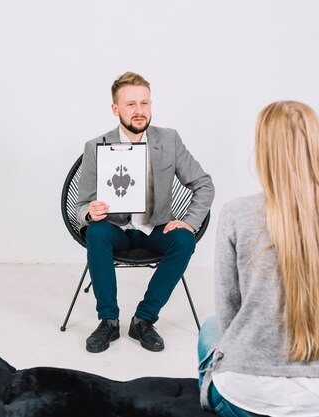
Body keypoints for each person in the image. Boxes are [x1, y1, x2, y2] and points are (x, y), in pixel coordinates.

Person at [198, 101, 319, 417]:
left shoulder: (237, 213)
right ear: (318, 146)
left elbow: (229, 315)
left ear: (265, 150)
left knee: (211, 327)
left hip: (245, 399)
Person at [76, 71, 214, 353]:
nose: (139, 111)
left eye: (145, 103)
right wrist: (90, 213)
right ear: (115, 109)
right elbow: (81, 205)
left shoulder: (170, 140)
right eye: (130, 104)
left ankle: (144, 320)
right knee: (97, 231)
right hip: (116, 231)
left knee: (185, 240)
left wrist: (190, 221)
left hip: (157, 229)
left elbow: (203, 183)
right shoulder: (95, 147)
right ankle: (108, 321)